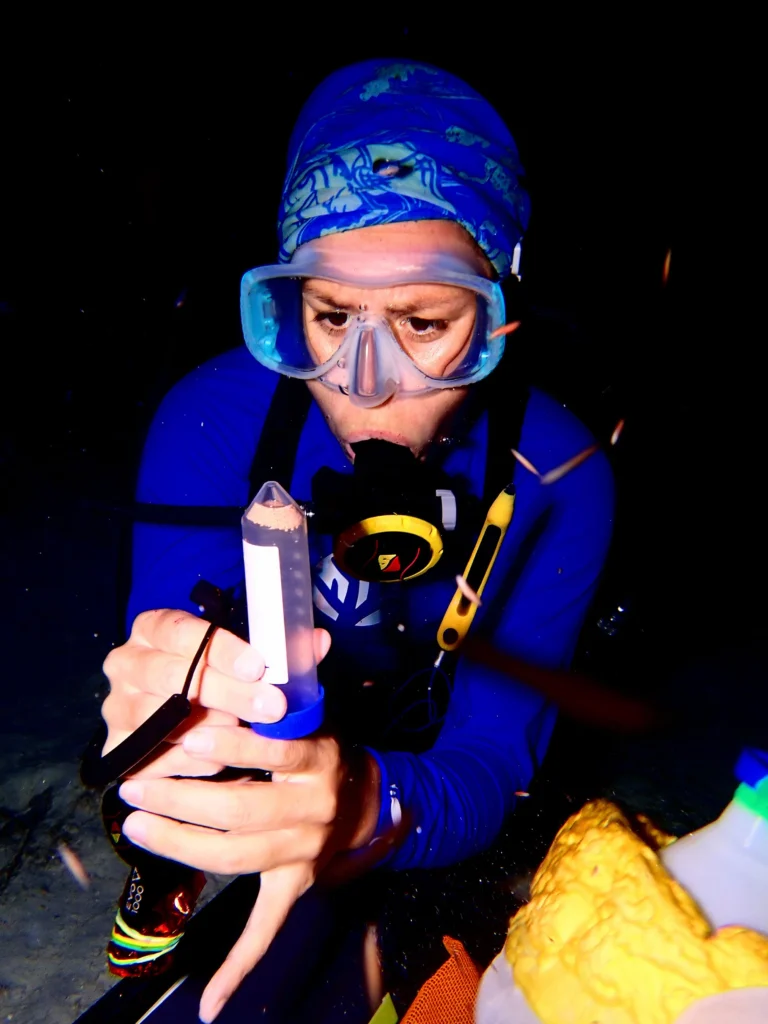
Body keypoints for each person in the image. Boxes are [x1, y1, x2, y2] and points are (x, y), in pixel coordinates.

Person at [100, 59, 614, 1021]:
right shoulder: (209, 419)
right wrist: (170, 709)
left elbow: (492, 761)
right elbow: (162, 640)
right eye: (331, 316)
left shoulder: (562, 478)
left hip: (427, 744)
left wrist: (365, 808)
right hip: (285, 724)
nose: (366, 381)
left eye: (426, 322)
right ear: (287, 307)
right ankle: (164, 883)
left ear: (498, 311)